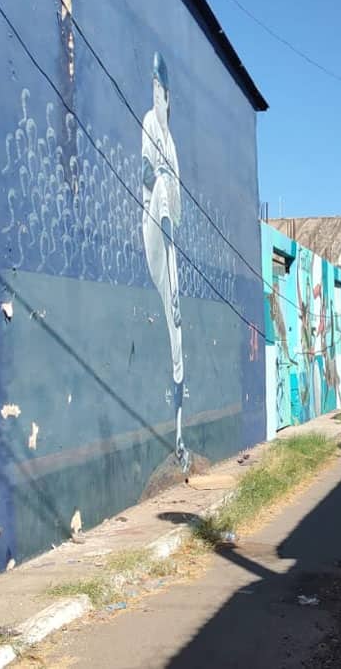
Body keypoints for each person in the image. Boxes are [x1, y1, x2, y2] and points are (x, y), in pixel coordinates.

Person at [141, 52, 190, 474]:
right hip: (155, 228)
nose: (158, 96)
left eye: (163, 90)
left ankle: (178, 436)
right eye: (154, 87)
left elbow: (177, 203)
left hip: (171, 235)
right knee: (168, 312)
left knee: (177, 331)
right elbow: (150, 181)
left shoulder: (171, 142)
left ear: (169, 96)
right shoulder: (148, 125)